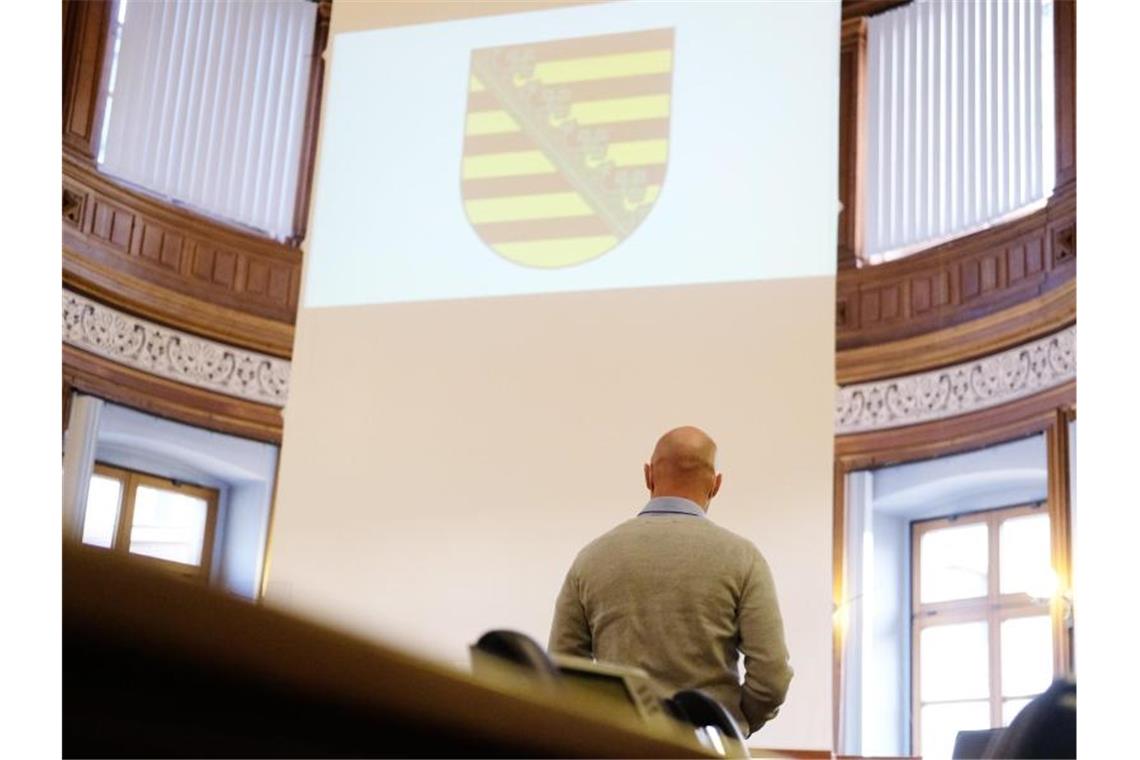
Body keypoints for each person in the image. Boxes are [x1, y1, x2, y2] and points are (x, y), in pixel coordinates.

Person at [548, 426, 793, 737]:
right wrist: (731, 724)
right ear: (716, 485)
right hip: (709, 746)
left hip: (621, 746)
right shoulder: (744, 559)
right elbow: (772, 677)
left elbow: (563, 669)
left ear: (648, 475)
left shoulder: (592, 558)